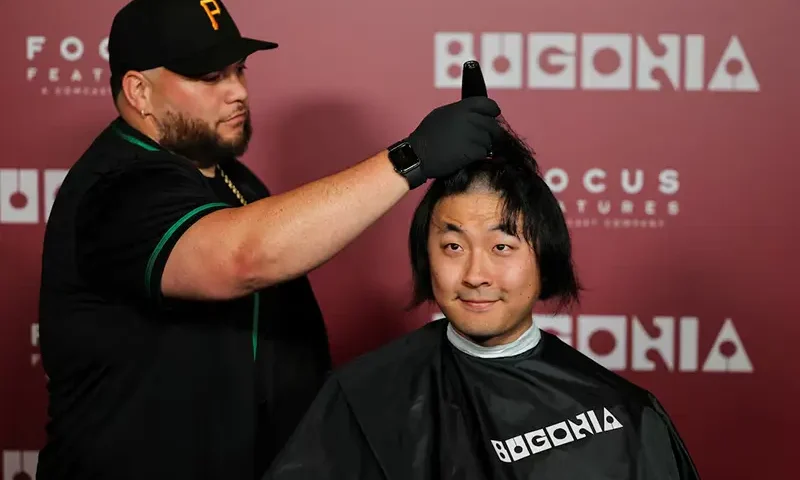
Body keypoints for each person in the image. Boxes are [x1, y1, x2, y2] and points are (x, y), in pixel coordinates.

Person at [35, 0, 504, 479]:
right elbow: (241, 257)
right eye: (211, 77)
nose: (238, 92)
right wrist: (412, 158)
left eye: (239, 71)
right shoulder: (116, 188)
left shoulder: (231, 179)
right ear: (139, 91)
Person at [262, 117, 701, 479]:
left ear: (544, 259)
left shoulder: (625, 415)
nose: (475, 275)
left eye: (501, 247)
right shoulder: (363, 398)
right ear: (425, 258)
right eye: (453, 247)